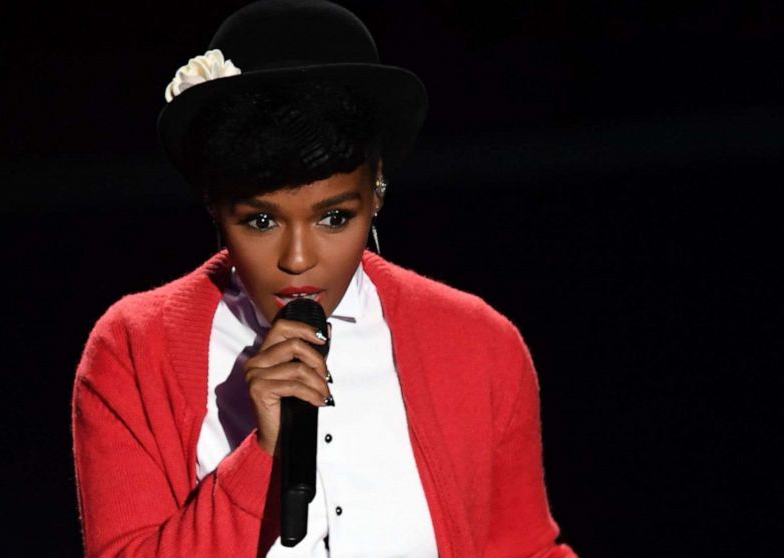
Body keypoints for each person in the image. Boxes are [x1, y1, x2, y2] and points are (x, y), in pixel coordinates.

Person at [71, 1, 578, 556]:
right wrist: (260, 454)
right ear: (214, 207)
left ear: (376, 190)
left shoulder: (479, 344)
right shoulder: (135, 349)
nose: (297, 258)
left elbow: (523, 548)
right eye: (260, 221)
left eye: (334, 217)